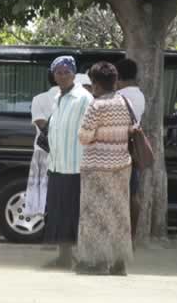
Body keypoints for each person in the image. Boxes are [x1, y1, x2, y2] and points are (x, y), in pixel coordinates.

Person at [77, 62, 134, 275]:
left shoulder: (96, 105)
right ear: (114, 81)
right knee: (119, 215)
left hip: (96, 167)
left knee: (94, 215)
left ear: (96, 84)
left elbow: (84, 137)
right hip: (121, 166)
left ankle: (97, 263)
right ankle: (119, 263)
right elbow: (130, 129)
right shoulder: (125, 102)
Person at [43, 56, 93, 269]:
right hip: (57, 165)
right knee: (58, 213)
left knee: (75, 213)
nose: (62, 76)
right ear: (53, 75)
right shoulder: (57, 98)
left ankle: (81, 258)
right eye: (58, 72)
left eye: (66, 72)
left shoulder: (83, 98)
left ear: (73, 73)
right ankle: (63, 257)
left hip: (76, 166)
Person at [116, 58, 146, 243]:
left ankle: (120, 236)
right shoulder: (139, 95)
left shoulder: (118, 96)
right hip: (132, 149)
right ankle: (131, 237)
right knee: (133, 194)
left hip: (118, 148)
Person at [25, 71, 58, 217]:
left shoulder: (38, 99)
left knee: (41, 192)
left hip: (43, 152)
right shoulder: (75, 98)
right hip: (66, 153)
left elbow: (41, 124)